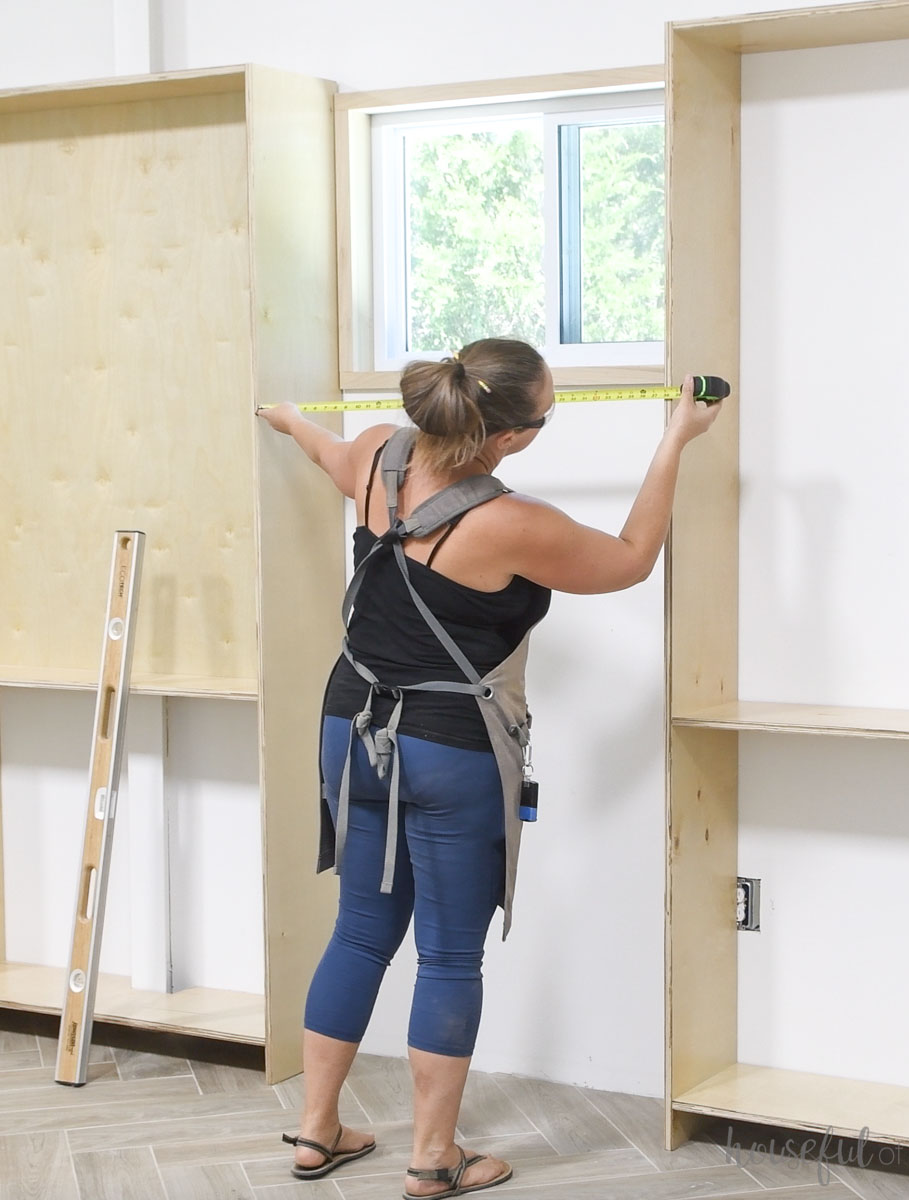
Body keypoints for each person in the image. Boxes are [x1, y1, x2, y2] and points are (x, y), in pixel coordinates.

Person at [256, 337, 722, 1196]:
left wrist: (289, 421)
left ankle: (317, 1132)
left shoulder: (372, 456)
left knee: (358, 930)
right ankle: (435, 1157)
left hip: (348, 726)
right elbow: (628, 559)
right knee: (447, 956)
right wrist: (675, 440)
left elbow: (323, 448)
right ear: (508, 438)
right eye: (544, 417)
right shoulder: (509, 522)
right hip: (448, 748)